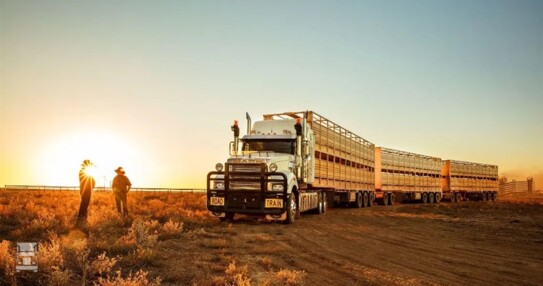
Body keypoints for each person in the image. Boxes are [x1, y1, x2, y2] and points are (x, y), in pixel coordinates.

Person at [77, 159, 96, 224]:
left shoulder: (82, 171)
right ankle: (81, 217)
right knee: (84, 203)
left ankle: (83, 217)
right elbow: (91, 180)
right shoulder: (83, 171)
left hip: (86, 190)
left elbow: (92, 181)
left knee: (85, 203)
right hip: (86, 190)